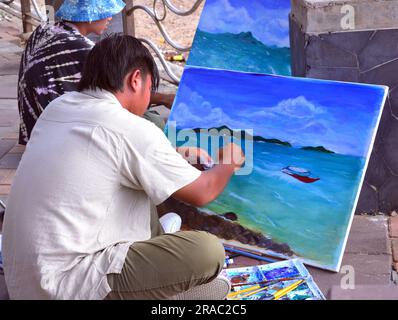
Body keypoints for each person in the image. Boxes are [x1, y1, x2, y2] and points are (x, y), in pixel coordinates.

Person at [2, 34, 245, 300]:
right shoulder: (129, 127)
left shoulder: (58, 107)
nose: (149, 97)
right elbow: (204, 190)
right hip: (66, 287)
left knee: (146, 190)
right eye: (150, 87)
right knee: (208, 252)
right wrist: (229, 161)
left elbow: (107, 157)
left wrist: (175, 155)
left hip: (24, 280)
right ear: (136, 79)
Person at [18, 0, 174, 145]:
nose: (111, 17)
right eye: (106, 11)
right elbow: (121, 92)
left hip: (36, 128)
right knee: (152, 121)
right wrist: (163, 98)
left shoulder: (45, 29)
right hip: (60, 136)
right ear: (90, 14)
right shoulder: (83, 49)